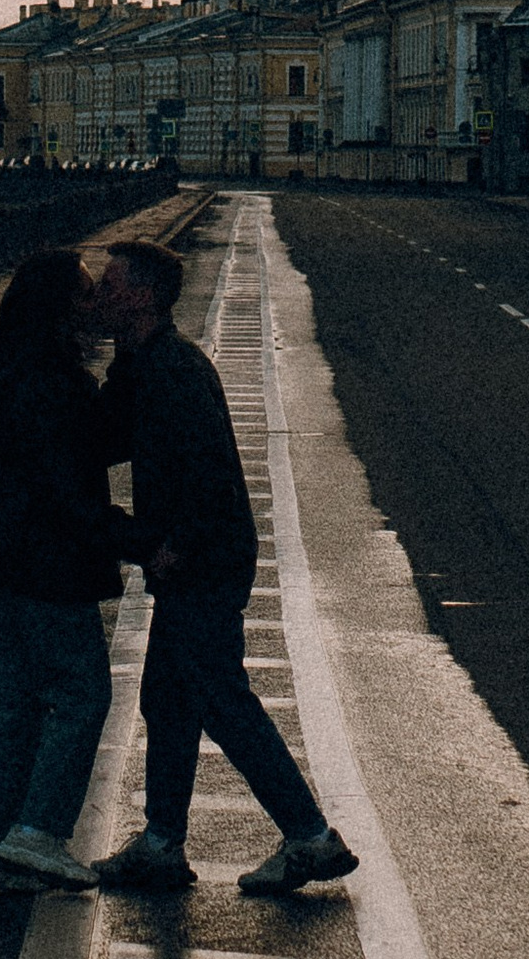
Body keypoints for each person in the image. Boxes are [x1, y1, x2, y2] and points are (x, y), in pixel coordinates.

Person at [85, 240, 358, 897]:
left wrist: (177, 541)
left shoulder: (174, 369)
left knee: (221, 701)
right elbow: (107, 438)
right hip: (196, 559)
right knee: (170, 700)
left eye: (112, 286)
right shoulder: (148, 363)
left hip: (203, 559)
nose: (99, 295)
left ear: (145, 296)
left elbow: (207, 468)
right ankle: (160, 844)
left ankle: (311, 836)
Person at [0, 250, 119, 894]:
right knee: (81, 695)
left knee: (12, 704)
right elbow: (67, 482)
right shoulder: (52, 376)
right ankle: (40, 831)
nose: (90, 302)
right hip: (45, 561)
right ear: (56, 308)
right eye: (82, 294)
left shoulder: (12, 366)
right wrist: (123, 536)